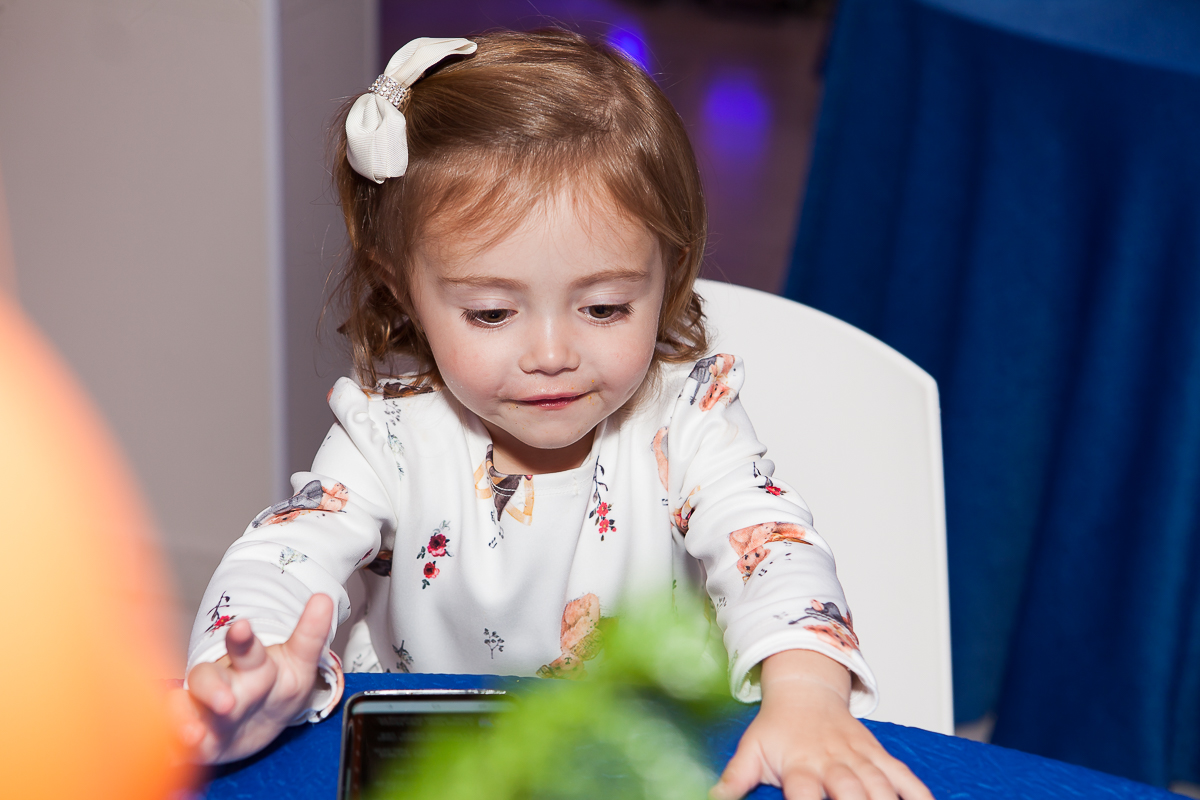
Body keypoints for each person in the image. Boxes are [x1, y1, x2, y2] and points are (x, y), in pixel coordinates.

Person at [175, 30, 932, 800]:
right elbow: (282, 554)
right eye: (493, 312)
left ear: (670, 273)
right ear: (402, 289)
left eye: (603, 306)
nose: (551, 352)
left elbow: (773, 550)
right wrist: (258, 661)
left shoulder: (688, 419)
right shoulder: (387, 435)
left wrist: (805, 696)